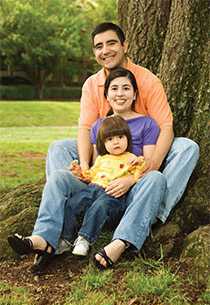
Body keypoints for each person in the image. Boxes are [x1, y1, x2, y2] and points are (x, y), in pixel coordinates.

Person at [7, 22, 199, 272]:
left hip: (141, 156)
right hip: (104, 156)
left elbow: (165, 126)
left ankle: (151, 213)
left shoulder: (147, 80)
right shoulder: (91, 84)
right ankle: (55, 233)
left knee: (187, 148)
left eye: (111, 43)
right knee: (58, 149)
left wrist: (146, 170)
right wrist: (87, 169)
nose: (105, 50)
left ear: (124, 46)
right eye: (99, 46)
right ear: (94, 52)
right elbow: (86, 129)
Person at [69, 113, 156, 257]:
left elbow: (139, 174)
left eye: (120, 137)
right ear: (103, 143)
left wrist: (139, 164)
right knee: (72, 203)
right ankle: (66, 237)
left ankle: (85, 239)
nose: (116, 142)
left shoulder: (131, 158)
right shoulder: (101, 159)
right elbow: (91, 175)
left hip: (113, 194)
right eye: (110, 139)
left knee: (100, 206)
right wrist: (80, 172)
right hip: (93, 189)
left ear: (127, 138)